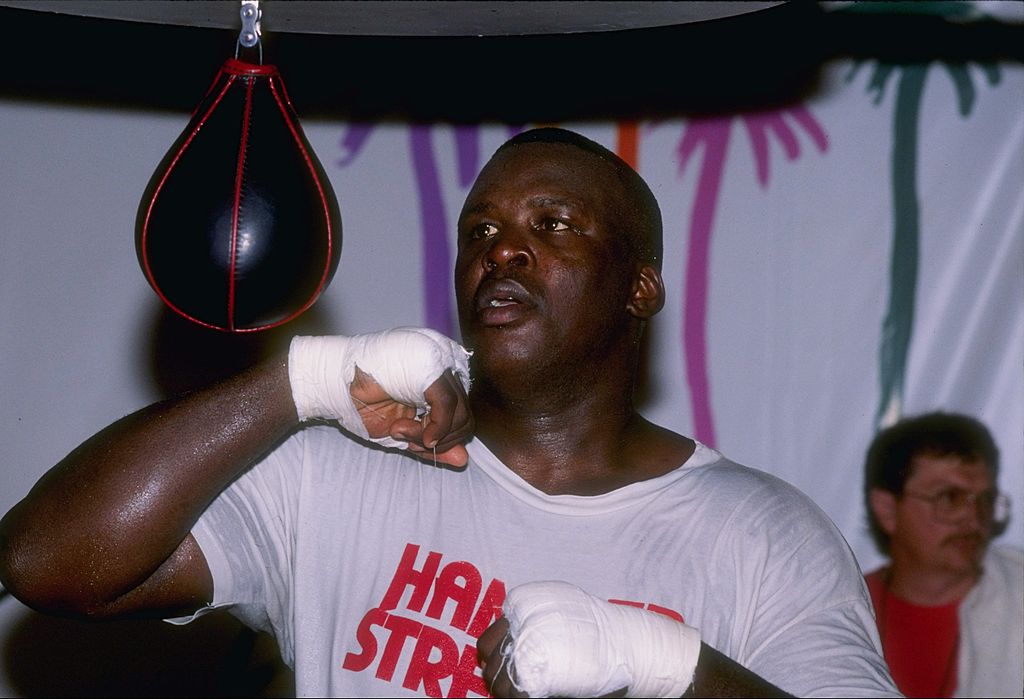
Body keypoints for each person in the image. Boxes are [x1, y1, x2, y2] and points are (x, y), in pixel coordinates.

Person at [0, 127, 898, 698]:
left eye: (553, 225)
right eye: (480, 231)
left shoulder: (763, 535)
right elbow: (44, 561)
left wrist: (667, 665)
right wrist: (303, 381)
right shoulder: (340, 466)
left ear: (640, 286)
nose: (502, 247)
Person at [863, 411, 1023, 698]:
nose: (973, 519)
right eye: (950, 498)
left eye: (984, 501)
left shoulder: (1017, 595)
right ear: (887, 510)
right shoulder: (844, 607)